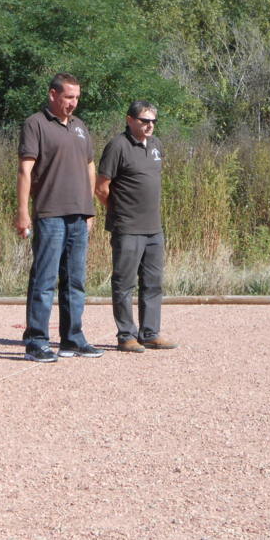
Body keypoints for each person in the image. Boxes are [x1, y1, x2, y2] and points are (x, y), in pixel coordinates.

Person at [14, 73, 103, 362]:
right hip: (50, 213)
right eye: (68, 97)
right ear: (53, 94)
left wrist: (89, 208)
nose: (73, 103)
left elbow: (90, 166)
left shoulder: (79, 127)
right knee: (44, 278)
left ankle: (73, 338)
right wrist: (23, 212)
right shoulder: (35, 124)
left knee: (75, 280)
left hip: (79, 214)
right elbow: (25, 170)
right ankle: (37, 340)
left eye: (76, 98)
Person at [95, 100, 177, 351]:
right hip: (128, 227)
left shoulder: (155, 145)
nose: (149, 125)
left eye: (153, 121)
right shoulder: (117, 146)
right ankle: (126, 336)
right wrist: (118, 212)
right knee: (124, 282)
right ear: (130, 120)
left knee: (153, 282)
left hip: (154, 228)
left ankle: (150, 332)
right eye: (144, 120)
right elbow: (101, 188)